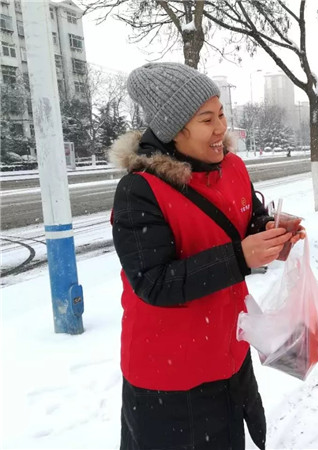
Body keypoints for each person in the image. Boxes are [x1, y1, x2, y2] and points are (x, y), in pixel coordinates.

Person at [109, 62, 302, 450]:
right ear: (174, 128)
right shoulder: (139, 191)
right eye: (206, 119)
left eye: (221, 114)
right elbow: (153, 282)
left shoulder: (231, 167)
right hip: (170, 380)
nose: (221, 129)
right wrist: (240, 258)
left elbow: (245, 218)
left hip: (229, 356)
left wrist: (267, 231)